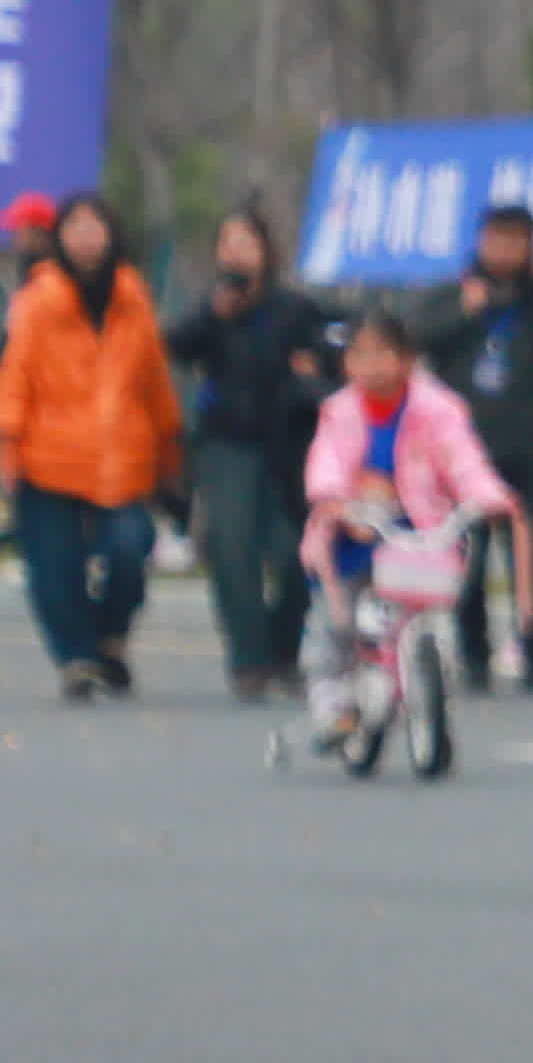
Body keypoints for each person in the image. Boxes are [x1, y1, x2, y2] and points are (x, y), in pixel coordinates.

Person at [0, 190, 182, 702]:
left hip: (123, 458)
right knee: (53, 565)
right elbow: (15, 373)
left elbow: (154, 377)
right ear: (60, 238)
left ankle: (110, 637)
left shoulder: (132, 296)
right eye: (75, 227)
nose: (87, 238)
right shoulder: (39, 299)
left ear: (112, 233)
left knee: (129, 548)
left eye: (96, 226)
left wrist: (170, 443)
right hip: (48, 455)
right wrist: (8, 442)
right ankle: (77, 658)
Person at [298, 308, 521, 732]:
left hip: (415, 532)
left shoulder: (438, 410)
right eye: (360, 356)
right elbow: (325, 463)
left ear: (407, 359)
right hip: (354, 533)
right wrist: (334, 501)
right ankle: (332, 701)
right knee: (335, 619)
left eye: (383, 354)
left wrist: (487, 496)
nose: (371, 367)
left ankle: (421, 674)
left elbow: (463, 460)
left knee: (425, 603)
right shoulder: (340, 412)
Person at [164, 204, 336, 702]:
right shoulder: (212, 311)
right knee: (230, 547)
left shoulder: (295, 309)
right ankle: (249, 659)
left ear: (267, 250)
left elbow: (335, 347)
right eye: (228, 242)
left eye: (247, 241)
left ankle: (285, 653)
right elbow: (173, 345)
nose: (237, 251)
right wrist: (210, 316)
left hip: (288, 445)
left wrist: (314, 367)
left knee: (294, 553)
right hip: (226, 446)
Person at [423, 200, 533, 695]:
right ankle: (475, 655)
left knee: (531, 557)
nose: (506, 250)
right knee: (465, 560)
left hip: (520, 452)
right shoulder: (454, 293)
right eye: (497, 238)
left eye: (517, 240)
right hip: (461, 456)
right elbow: (418, 337)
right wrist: (463, 310)